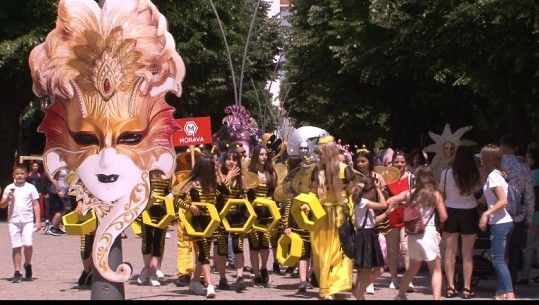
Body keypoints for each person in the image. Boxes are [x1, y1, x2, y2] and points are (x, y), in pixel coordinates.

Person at [390, 165, 448, 300]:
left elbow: (391, 200)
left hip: (413, 235)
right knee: (436, 270)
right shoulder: (435, 194)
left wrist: (401, 205)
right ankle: (436, 299)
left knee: (412, 268)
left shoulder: (411, 193)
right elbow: (444, 216)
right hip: (429, 234)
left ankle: (400, 295)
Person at [308, 135, 354, 300]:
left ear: (329, 152)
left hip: (339, 217)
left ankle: (335, 287)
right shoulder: (316, 170)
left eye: (320, 153)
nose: (318, 156)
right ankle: (326, 286)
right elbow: (312, 194)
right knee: (320, 253)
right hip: (320, 216)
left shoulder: (345, 170)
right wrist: (307, 205)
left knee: (338, 252)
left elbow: (352, 193)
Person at [173, 154, 223, 298]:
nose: (214, 168)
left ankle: (195, 281)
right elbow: (177, 200)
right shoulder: (192, 183)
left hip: (211, 221)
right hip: (198, 223)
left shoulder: (214, 182)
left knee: (203, 253)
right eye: (212, 167)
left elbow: (226, 192)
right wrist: (190, 206)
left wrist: (220, 174)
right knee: (205, 252)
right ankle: (210, 285)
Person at [440, 145, 482, 299]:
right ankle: (467, 287)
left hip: (451, 210)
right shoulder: (474, 175)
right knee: (467, 253)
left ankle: (450, 286)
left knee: (450, 252)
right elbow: (477, 191)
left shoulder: (446, 174)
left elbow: (442, 191)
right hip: (469, 211)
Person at [499, 134, 535, 294]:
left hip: (498, 214)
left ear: (501, 146)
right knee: (514, 253)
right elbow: (529, 195)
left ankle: (501, 287)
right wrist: (529, 217)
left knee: (499, 253)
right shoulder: (524, 168)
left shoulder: (496, 166)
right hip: (518, 215)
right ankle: (511, 287)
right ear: (516, 148)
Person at [478, 144, 515, 300]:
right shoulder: (499, 174)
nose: (479, 159)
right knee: (501, 259)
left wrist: (486, 213)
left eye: (481, 156)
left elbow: (503, 201)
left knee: (498, 260)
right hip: (504, 222)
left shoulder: (493, 175)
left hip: (500, 223)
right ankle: (501, 293)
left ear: (487, 158)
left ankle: (510, 294)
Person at [353, 148, 389, 295]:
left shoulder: (377, 176)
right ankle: (360, 286)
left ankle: (365, 285)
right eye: (358, 161)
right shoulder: (355, 177)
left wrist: (380, 189)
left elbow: (385, 196)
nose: (361, 164)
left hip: (375, 214)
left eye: (364, 161)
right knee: (363, 259)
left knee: (373, 255)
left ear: (369, 162)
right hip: (363, 216)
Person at [1, 164, 42, 283]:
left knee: (28, 244)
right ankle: (17, 271)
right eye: (17, 174)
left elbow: (36, 204)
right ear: (13, 175)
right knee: (16, 246)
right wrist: (8, 199)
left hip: (27, 220)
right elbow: (2, 205)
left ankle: (28, 264)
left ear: (26, 175)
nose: (19, 176)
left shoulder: (31, 188)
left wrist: (38, 221)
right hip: (13, 221)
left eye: (22, 173)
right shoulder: (9, 188)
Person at [214, 149, 248, 292]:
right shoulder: (218, 175)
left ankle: (240, 277)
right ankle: (222, 278)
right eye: (229, 159)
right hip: (221, 216)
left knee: (238, 246)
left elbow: (245, 194)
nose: (232, 162)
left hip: (236, 217)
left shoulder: (242, 178)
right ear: (224, 161)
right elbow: (219, 193)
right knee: (221, 248)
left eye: (234, 159)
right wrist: (227, 177)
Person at [246, 145, 278, 287]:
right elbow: (246, 193)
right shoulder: (250, 173)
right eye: (261, 154)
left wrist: (269, 199)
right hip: (253, 212)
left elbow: (274, 193)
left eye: (265, 154)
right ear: (256, 156)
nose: (264, 157)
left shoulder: (271, 172)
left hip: (267, 213)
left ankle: (264, 268)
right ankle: (256, 274)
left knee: (265, 244)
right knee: (254, 244)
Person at [385, 150, 415, 291]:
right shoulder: (386, 179)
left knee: (406, 248)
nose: (399, 164)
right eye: (396, 161)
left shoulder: (411, 178)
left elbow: (414, 198)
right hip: (391, 218)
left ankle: (408, 280)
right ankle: (394, 278)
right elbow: (383, 199)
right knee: (392, 250)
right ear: (392, 163)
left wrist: (401, 203)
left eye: (402, 162)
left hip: (407, 217)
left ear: (406, 163)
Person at [137, 171, 173, 287]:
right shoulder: (145, 171)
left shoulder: (169, 172)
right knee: (147, 241)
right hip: (147, 209)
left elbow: (170, 189)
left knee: (158, 242)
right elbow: (137, 187)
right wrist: (146, 193)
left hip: (162, 211)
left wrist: (170, 195)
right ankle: (147, 268)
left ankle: (153, 274)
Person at [518, 147, 539, 284]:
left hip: (535, 213)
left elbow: (529, 196)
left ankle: (524, 274)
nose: (527, 160)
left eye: (529, 158)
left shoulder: (533, 174)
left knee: (529, 245)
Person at [73, 200, 95, 287]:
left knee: (96, 248)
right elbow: (79, 189)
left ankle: (94, 273)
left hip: (103, 213)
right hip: (87, 214)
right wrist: (79, 202)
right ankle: (87, 271)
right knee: (85, 250)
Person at [46, 169, 69, 236]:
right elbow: (53, 179)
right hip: (55, 192)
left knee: (63, 209)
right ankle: (51, 227)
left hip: (63, 192)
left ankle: (57, 227)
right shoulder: (59, 168)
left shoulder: (68, 168)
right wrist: (58, 190)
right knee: (60, 210)